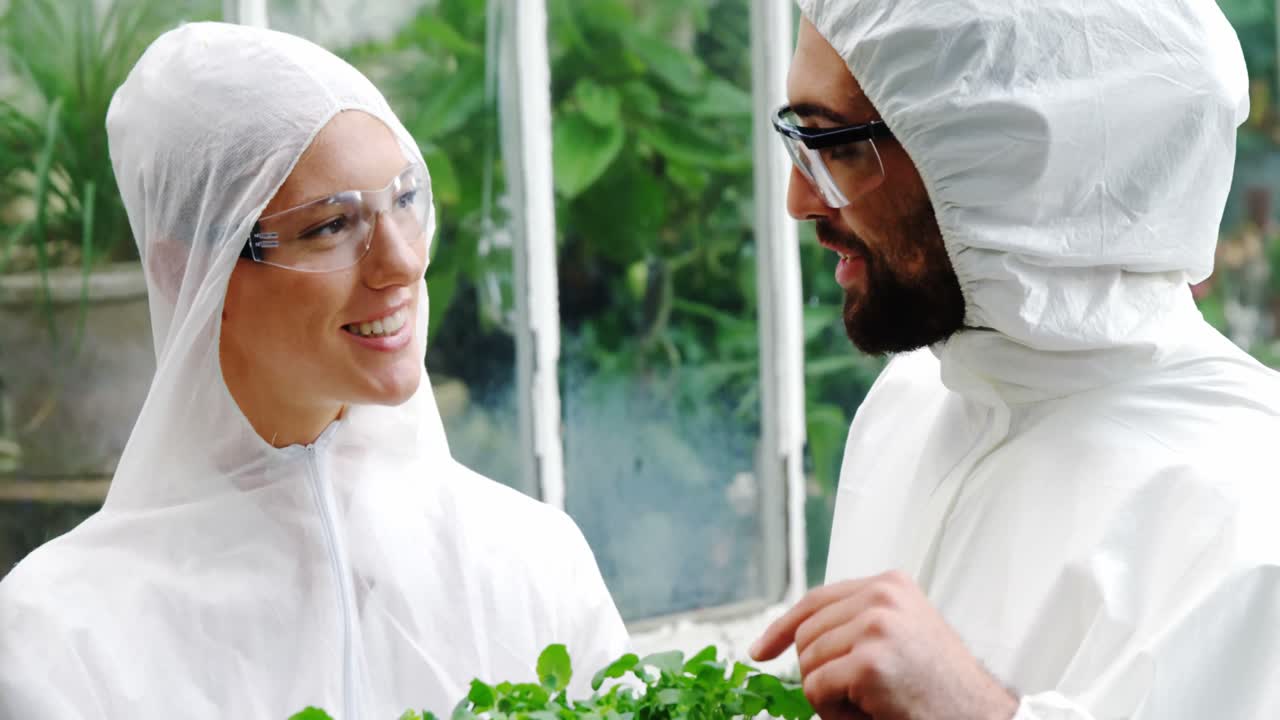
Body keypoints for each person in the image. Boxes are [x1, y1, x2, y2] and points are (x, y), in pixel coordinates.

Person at [0, 21, 627, 719]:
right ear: (187, 272)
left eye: (405, 200)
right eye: (331, 225)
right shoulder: (61, 641)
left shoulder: (532, 562)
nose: (404, 262)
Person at [750, 1, 1280, 718]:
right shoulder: (912, 403)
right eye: (797, 140)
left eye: (836, 146)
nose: (798, 199)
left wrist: (978, 711)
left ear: (1011, 163)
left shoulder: (1248, 504)